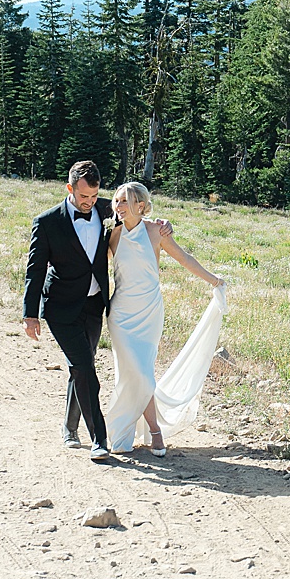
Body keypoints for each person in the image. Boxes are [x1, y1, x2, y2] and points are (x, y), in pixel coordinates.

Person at [21, 160, 169, 462]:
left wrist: (164, 223)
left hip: (93, 305)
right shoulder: (47, 222)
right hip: (60, 307)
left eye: (94, 197)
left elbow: (135, 210)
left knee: (81, 366)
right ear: (69, 189)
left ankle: (69, 427)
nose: (89, 203)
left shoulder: (106, 210)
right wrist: (30, 313)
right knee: (87, 369)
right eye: (83, 197)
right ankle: (99, 439)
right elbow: (34, 270)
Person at [102, 181, 226, 456]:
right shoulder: (114, 235)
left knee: (142, 373)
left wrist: (214, 280)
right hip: (121, 315)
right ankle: (149, 431)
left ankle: (147, 430)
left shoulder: (157, 231)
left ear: (141, 206)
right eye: (117, 201)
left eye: (125, 201)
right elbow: (93, 263)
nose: (119, 206)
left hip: (149, 313)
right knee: (137, 376)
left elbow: (184, 258)